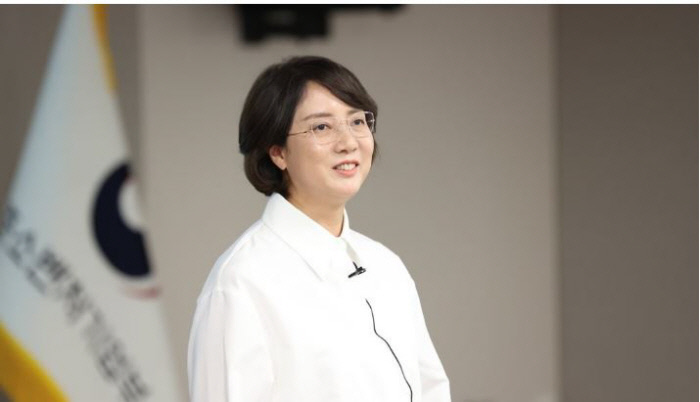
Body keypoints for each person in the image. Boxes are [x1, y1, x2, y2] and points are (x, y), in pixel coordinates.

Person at [187, 55, 451, 402]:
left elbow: (431, 389)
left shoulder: (387, 267)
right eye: (322, 127)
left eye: (357, 121)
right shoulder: (241, 282)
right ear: (278, 152)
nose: (348, 142)